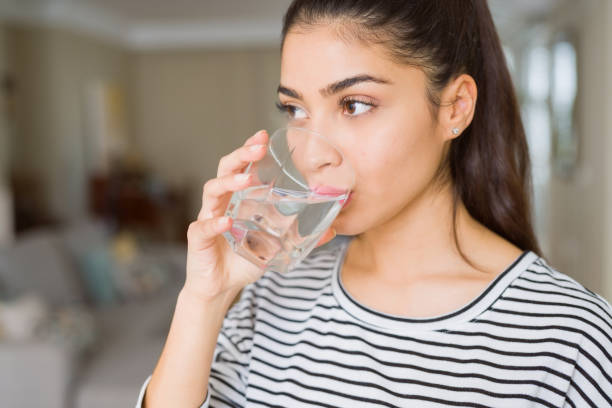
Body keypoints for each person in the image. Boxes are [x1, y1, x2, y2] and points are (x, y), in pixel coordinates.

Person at [136, 1, 612, 407]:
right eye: (295, 110)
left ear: (455, 107)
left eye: (355, 104)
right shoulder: (272, 295)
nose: (311, 152)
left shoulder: (571, 342)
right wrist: (205, 299)